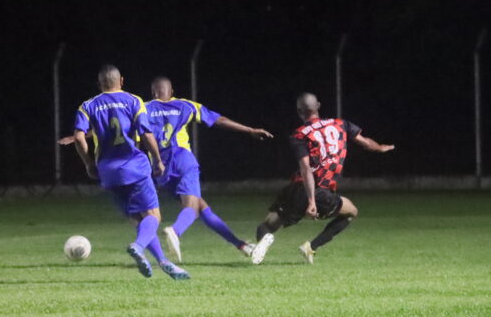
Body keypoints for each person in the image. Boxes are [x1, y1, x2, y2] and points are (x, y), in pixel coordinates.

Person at [73, 64, 190, 280]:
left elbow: (79, 137)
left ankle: (163, 262)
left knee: (138, 219)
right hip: (133, 166)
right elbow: (146, 134)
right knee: (153, 216)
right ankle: (138, 246)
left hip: (107, 171)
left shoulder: (87, 105)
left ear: (100, 84)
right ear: (122, 81)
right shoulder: (134, 101)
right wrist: (157, 160)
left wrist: (89, 163)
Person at [250, 92, 394, 265]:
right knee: (351, 212)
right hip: (318, 193)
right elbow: (366, 143)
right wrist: (380, 148)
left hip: (294, 190)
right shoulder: (341, 124)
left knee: (266, 225)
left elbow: (305, 168)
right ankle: (311, 247)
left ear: (299, 111)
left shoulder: (299, 135)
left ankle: (265, 239)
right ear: (318, 106)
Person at [146, 76, 273, 262]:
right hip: (182, 159)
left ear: (153, 92)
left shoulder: (143, 108)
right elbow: (218, 120)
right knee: (192, 209)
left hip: (160, 167)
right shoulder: (185, 105)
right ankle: (175, 231)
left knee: (202, 208)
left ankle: (242, 245)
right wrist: (249, 130)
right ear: (171, 92)